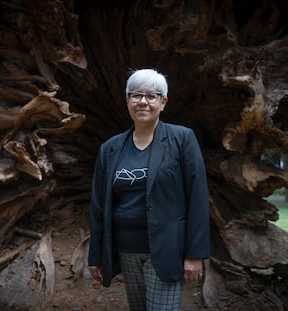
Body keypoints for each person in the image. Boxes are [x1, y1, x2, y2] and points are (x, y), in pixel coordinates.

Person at [88, 68, 210, 311]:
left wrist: (195, 254)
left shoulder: (182, 139)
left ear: (163, 102)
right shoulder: (110, 148)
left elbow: (197, 198)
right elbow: (99, 206)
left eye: (151, 96)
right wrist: (97, 255)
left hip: (165, 250)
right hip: (126, 249)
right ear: (127, 100)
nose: (143, 101)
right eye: (135, 95)